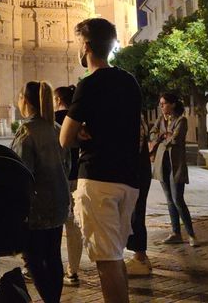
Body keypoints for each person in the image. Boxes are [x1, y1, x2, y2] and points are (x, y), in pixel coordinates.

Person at [60, 18, 142, 303]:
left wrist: (80, 131)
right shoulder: (130, 81)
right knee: (115, 256)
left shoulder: (89, 84)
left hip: (98, 179)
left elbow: (65, 138)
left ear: (85, 46)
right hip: (128, 181)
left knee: (106, 262)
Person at [13, 81, 70, 303]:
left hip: (36, 207)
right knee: (53, 255)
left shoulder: (27, 131)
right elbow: (67, 164)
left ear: (25, 101)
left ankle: (49, 299)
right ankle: (53, 299)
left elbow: (21, 172)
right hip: (58, 202)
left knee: (33, 259)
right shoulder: (56, 128)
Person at [151, 92, 198, 246]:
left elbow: (176, 139)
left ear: (172, 104)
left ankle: (191, 234)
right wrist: (163, 135)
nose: (161, 106)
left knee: (178, 199)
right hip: (162, 163)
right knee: (169, 200)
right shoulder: (160, 119)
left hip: (175, 164)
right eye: (161, 103)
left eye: (164, 103)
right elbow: (152, 134)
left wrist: (163, 137)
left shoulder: (181, 120)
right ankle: (175, 233)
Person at [53, 84, 82, 286]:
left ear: (57, 100)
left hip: (57, 179)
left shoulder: (52, 121)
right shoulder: (79, 120)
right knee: (74, 228)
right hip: (78, 177)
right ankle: (73, 271)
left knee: (54, 226)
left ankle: (54, 268)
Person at [125, 111, 153, 276]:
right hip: (140, 171)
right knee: (136, 213)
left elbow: (134, 148)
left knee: (136, 214)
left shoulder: (133, 118)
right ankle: (140, 256)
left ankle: (140, 258)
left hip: (136, 172)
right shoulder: (138, 116)